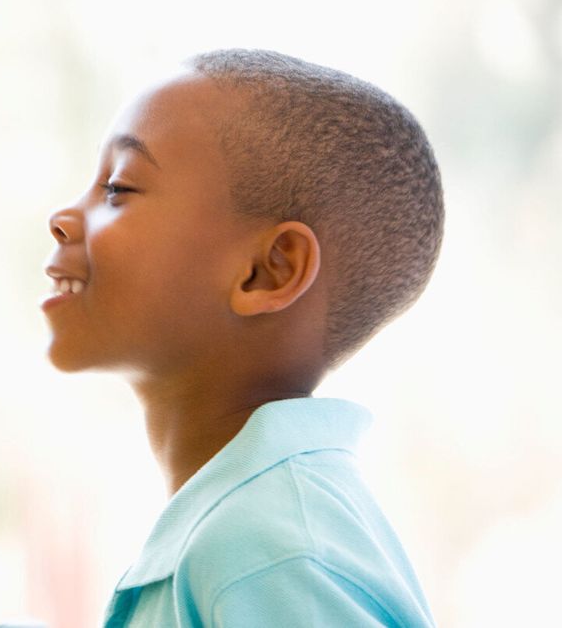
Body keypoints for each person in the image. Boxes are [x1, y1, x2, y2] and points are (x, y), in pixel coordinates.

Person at [41, 49, 441, 626]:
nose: (62, 216)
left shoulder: (271, 551)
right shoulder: (248, 529)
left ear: (268, 270)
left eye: (119, 188)